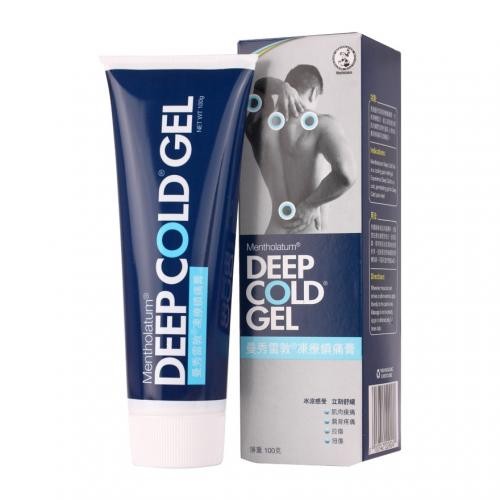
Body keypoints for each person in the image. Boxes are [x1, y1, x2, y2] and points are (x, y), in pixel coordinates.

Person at [245, 64, 356, 234]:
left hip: (273, 235)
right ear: (314, 93)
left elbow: (259, 86)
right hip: (308, 234)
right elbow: (347, 175)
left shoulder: (261, 127)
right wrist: (310, 205)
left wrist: (281, 87)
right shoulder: (323, 126)